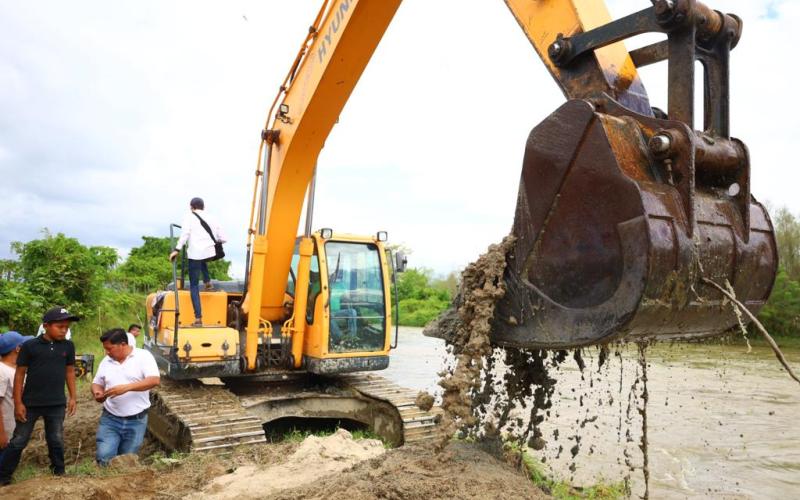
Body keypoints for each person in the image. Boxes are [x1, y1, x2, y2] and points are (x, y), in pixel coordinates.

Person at [0, 307, 78, 485]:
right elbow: (20, 374)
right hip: (30, 403)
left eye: (66, 327)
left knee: (56, 439)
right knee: (19, 441)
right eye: (59, 326)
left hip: (56, 403)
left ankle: (59, 473)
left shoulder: (68, 346)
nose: (64, 330)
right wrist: (18, 402)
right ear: (46, 326)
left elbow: (70, 371)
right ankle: (3, 477)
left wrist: (73, 397)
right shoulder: (30, 346)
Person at [92, 328, 160, 465]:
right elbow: (96, 383)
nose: (107, 352)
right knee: (104, 455)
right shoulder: (107, 361)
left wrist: (125, 388)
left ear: (122, 344)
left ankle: (119, 485)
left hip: (136, 420)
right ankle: (103, 483)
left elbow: (154, 380)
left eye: (109, 348)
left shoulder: (143, 356)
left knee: (127, 459)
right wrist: (97, 392)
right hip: (110, 418)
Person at [169, 197, 226, 326]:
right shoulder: (212, 217)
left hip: (195, 254)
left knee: (194, 286)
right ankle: (207, 281)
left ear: (191, 207)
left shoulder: (189, 217)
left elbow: (185, 235)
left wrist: (177, 249)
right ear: (203, 207)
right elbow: (223, 237)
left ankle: (198, 318)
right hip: (210, 252)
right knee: (202, 258)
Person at [0, 332, 34, 465]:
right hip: (4, 431)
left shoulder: (16, 370)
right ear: (18, 349)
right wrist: (1, 434)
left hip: (12, 430)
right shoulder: (2, 371)